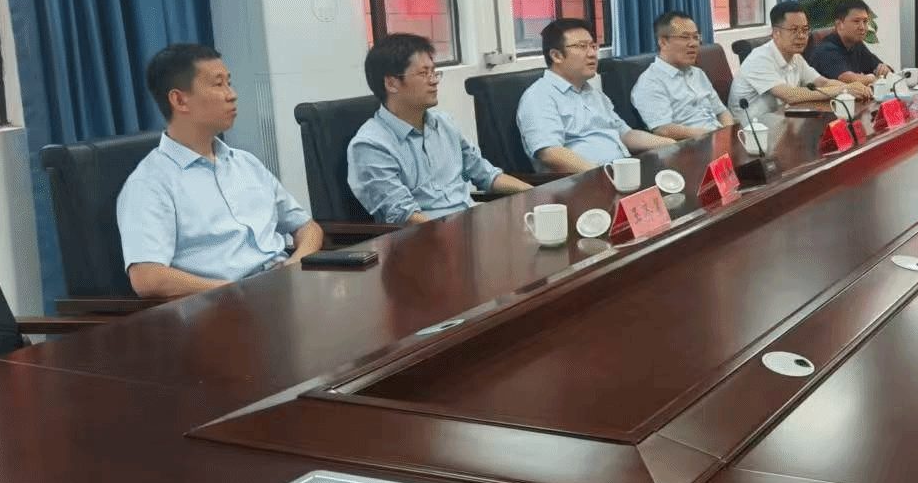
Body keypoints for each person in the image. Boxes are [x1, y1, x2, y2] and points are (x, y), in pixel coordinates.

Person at [117, 43, 323, 298]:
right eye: (218, 85)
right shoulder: (150, 183)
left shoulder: (245, 163)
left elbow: (307, 228)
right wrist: (232, 291)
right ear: (179, 100)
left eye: (229, 83)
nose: (232, 95)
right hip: (225, 305)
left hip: (283, 288)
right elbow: (148, 278)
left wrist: (296, 263)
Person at [348, 33, 531, 225]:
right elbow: (404, 216)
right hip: (426, 237)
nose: (434, 80)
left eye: (434, 72)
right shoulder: (371, 145)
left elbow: (487, 175)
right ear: (391, 83)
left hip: (470, 223)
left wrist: (537, 195)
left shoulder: (444, 124)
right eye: (424, 73)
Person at [518, 18, 672, 173]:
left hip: (620, 172)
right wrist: (604, 173)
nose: (592, 54)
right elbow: (550, 153)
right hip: (584, 181)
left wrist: (672, 144)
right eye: (582, 46)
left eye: (593, 46)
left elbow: (625, 134)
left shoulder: (592, 92)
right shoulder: (539, 97)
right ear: (556, 56)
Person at [729, 1, 862, 117]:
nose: (802, 36)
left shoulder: (796, 57)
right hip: (749, 130)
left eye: (805, 30)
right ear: (776, 33)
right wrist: (842, 91)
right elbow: (791, 95)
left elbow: (822, 83)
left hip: (780, 121)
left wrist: (852, 88)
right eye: (794, 30)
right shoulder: (759, 59)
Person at [631, 10, 735, 140]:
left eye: (696, 37)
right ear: (663, 42)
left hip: (718, 138)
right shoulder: (650, 82)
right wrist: (712, 135)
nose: (693, 44)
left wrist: (729, 134)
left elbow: (722, 112)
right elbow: (663, 130)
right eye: (685, 37)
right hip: (691, 145)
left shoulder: (698, 73)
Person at [807, 0, 892, 89]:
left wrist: (883, 69)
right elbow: (848, 79)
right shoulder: (827, 49)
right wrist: (873, 78)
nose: (862, 27)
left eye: (865, 21)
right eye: (856, 21)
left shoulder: (856, 45)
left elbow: (880, 68)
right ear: (839, 24)